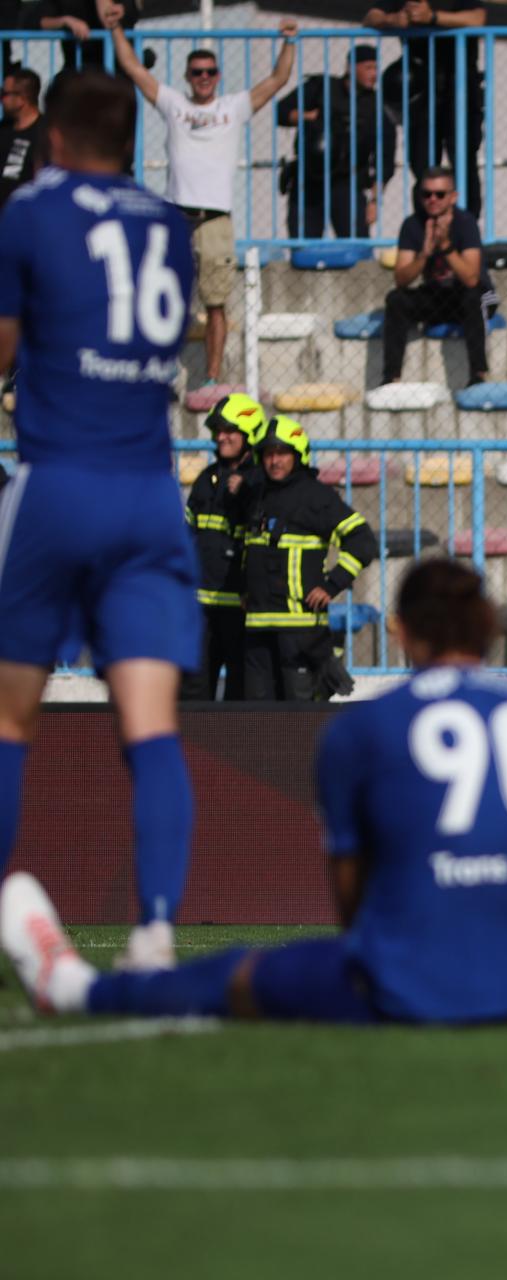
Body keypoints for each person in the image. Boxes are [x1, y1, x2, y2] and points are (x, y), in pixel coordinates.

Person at [1, 558, 507, 1027]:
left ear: (400, 631)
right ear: (489, 627)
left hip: (409, 987)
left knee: (238, 974)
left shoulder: (363, 731)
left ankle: (73, 988)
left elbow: (355, 915)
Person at [0, 70, 198, 967]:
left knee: (9, 719)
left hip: (59, 482)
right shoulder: (170, 225)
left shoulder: (32, 210)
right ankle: (154, 928)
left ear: (58, 136)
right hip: (151, 495)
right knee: (151, 727)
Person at [107, 12, 297, 390]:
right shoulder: (175, 104)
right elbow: (131, 66)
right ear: (188, 77)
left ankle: (210, 378)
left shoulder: (233, 107)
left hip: (215, 219)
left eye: (210, 71)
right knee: (160, 300)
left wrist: (289, 40)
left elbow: (277, 80)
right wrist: (114, 27)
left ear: (219, 75)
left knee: (215, 303)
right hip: (176, 217)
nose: (204, 77)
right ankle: (159, 373)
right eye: (197, 72)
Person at [238, 417, 378, 703]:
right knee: (255, 720)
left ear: (298, 455)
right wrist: (244, 588)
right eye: (268, 453)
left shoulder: (317, 497)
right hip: (257, 628)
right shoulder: (257, 496)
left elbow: (363, 541)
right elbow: (250, 550)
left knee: (300, 720)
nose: (274, 460)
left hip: (300, 631)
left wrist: (332, 584)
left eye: (282, 453)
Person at [364, 0, 486, 217]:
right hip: (420, 93)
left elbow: (478, 18)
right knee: (422, 165)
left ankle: (466, 232)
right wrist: (393, 19)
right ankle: (426, 227)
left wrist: (432, 18)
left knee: (464, 162)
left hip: (459, 89)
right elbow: (370, 17)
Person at [181, 392, 266, 702]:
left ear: (250, 434)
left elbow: (263, 533)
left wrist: (246, 491)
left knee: (240, 693)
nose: (221, 437)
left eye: (230, 430)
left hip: (241, 608)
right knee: (192, 688)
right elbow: (188, 534)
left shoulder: (261, 482)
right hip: (199, 605)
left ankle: (236, 752)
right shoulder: (207, 479)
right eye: (218, 430)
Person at [382, 164, 497, 389]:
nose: (432, 199)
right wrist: (424, 254)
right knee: (396, 299)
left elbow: (471, 278)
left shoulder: (465, 223)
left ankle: (478, 374)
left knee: (473, 297)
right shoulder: (412, 225)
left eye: (440, 194)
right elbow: (402, 279)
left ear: (453, 197)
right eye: (426, 194)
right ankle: (390, 378)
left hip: (473, 294)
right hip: (438, 296)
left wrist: (445, 246)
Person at [276, 44, 398, 239]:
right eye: (368, 68)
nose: (374, 74)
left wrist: (375, 201)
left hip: (347, 183)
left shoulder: (376, 107)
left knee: (356, 249)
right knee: (303, 246)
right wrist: (310, 116)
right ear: (350, 67)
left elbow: (385, 159)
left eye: (376, 68)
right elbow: (280, 112)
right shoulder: (320, 88)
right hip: (308, 180)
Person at [0, 65, 49, 206]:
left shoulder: (46, 132)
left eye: (4, 94)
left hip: (27, 214)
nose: (1, 99)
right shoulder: (4, 128)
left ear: (22, 99)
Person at [39, 0, 130, 75]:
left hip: (116, 69)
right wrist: (65, 21)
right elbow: (38, 21)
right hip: (77, 69)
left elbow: (115, 17)